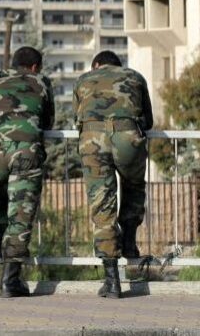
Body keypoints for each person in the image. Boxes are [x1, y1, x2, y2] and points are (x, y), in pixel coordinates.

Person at [74, 50, 153, 299]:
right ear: (119, 65)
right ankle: (129, 240)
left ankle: (112, 282)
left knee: (102, 204)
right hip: (127, 136)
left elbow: (77, 119)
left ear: (96, 65)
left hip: (92, 141)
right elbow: (148, 121)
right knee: (134, 185)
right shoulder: (135, 76)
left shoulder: (84, 79)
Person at [0, 46, 54, 298]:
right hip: (26, 151)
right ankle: (10, 279)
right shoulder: (40, 81)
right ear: (34, 67)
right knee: (21, 213)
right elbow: (48, 121)